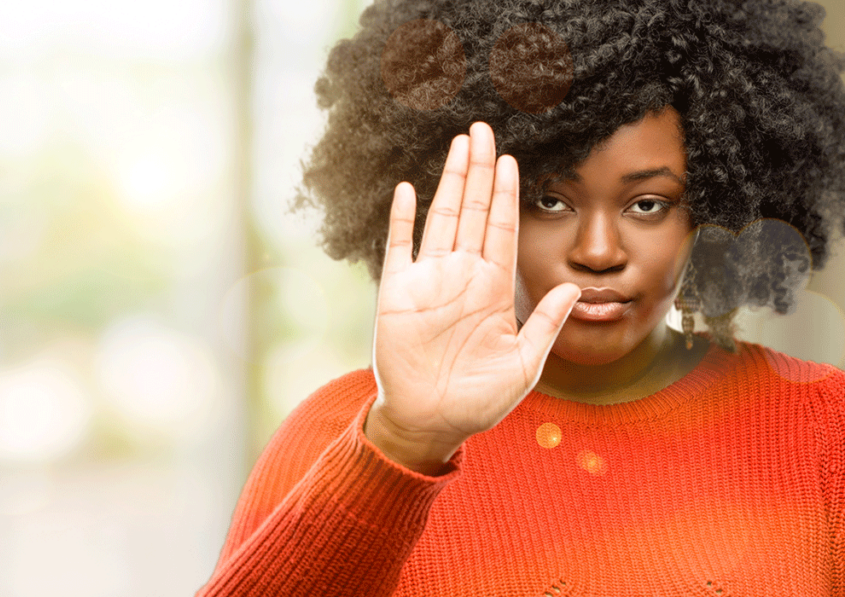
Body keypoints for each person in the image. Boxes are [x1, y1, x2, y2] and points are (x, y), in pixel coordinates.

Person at [199, 0, 845, 594]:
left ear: (710, 208)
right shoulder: (348, 433)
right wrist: (404, 442)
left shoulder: (824, 427)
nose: (598, 250)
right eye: (550, 200)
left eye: (647, 204)